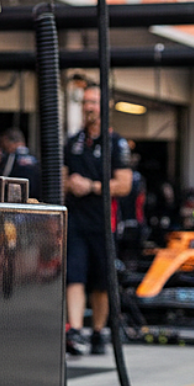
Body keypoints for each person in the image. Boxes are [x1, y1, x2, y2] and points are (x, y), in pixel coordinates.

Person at [63, 83, 132, 355]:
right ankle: (76, 331)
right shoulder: (73, 141)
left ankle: (98, 332)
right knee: (74, 276)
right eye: (85, 102)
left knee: (102, 283)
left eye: (93, 102)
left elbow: (124, 185)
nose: (88, 107)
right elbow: (62, 176)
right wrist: (70, 183)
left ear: (105, 107)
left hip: (104, 222)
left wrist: (91, 186)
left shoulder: (117, 143)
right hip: (76, 222)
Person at [0, 126, 41, 199]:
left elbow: (4, 177)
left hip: (17, 198)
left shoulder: (11, 156)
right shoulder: (34, 156)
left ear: (8, 142)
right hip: (36, 198)